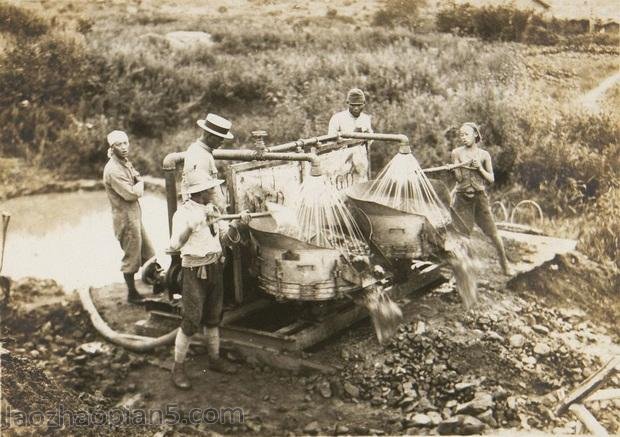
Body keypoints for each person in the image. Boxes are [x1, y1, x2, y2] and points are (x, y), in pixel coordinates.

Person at [168, 170, 251, 390]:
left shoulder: (213, 210)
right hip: (194, 271)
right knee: (191, 320)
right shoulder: (183, 214)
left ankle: (214, 359)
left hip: (215, 266)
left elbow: (225, 238)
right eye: (211, 188)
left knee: (214, 316)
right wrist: (193, 226)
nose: (215, 190)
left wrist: (237, 224)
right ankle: (178, 368)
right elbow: (175, 245)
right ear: (201, 192)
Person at [450, 122, 513, 276]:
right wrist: (455, 169)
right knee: (462, 236)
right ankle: (462, 273)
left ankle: (505, 264)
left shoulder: (484, 155)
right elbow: (458, 179)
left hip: (479, 198)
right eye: (461, 135)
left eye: (466, 134)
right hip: (462, 198)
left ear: (475, 135)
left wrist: (479, 168)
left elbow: (491, 179)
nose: (463, 138)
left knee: (493, 232)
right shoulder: (456, 153)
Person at [103, 130, 156, 303]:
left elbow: (136, 176)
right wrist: (140, 184)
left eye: (126, 143)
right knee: (132, 257)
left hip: (134, 216)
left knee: (149, 252)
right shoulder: (113, 170)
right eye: (119, 144)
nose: (124, 147)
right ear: (112, 147)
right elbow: (132, 194)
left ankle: (158, 283)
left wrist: (139, 182)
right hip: (125, 219)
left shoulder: (124, 162)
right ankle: (132, 294)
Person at [181, 113, 234, 208]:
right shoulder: (197, 154)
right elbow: (201, 194)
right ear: (209, 136)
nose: (222, 142)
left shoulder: (204, 152)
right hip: (204, 213)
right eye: (220, 139)